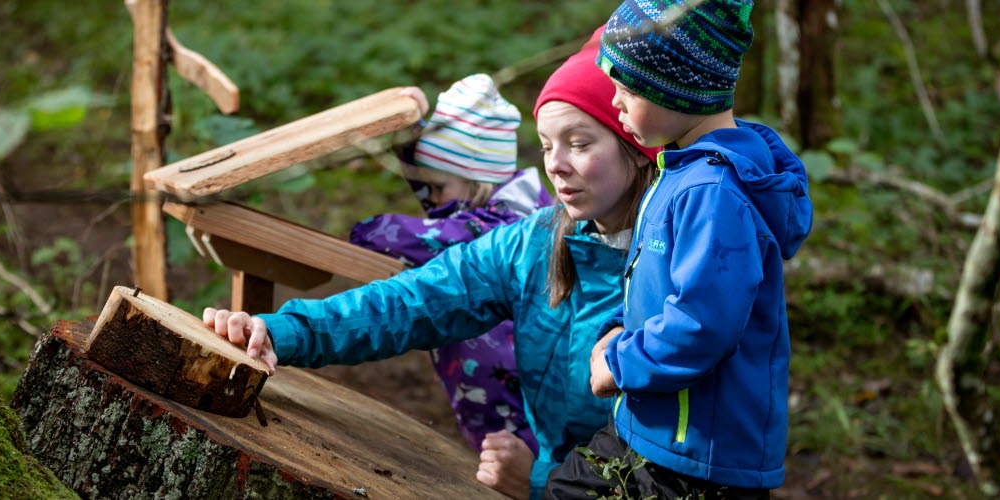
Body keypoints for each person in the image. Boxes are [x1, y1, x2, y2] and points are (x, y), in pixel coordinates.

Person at [203, 28, 661, 500]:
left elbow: (685, 464)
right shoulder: (533, 243)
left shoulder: (682, 265)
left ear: (637, 144)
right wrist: (280, 332)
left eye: (579, 144)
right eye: (546, 145)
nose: (556, 164)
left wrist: (543, 483)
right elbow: (412, 302)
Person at [546, 1, 814, 499]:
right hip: (657, 431)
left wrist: (622, 362)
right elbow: (667, 288)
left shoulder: (711, 192)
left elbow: (703, 323)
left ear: (677, 88)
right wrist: (619, 331)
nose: (616, 103)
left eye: (626, 88)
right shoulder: (684, 173)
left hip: (695, 459)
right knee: (567, 486)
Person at [349, 73, 551, 456]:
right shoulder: (499, 200)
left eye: (440, 188)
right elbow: (429, 182)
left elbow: (420, 236)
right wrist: (407, 129)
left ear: (476, 179)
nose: (432, 199)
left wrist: (368, 229)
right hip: (492, 398)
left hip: (521, 406)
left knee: (519, 474)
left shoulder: (501, 226)